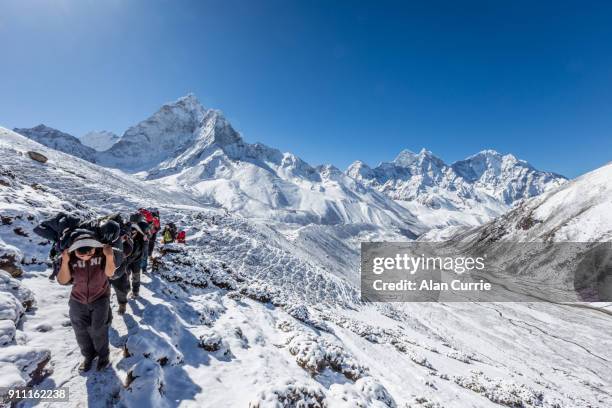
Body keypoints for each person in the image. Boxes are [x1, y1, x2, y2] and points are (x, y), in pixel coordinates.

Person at [56, 232, 120, 372]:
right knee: (80, 331)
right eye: (81, 254)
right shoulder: (70, 258)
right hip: (77, 300)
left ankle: (104, 356)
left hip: (100, 298)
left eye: (89, 253)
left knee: (99, 329)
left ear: (94, 247)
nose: (85, 257)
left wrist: (109, 256)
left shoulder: (102, 254)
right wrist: (65, 261)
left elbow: (110, 274)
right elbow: (62, 280)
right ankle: (88, 356)